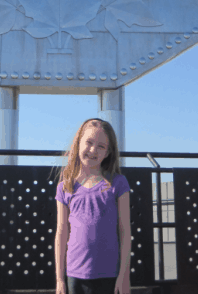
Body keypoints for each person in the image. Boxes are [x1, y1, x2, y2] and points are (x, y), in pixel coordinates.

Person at [53, 118, 131, 294]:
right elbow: (61, 232)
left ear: (109, 152)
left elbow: (125, 231)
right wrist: (60, 279)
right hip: (74, 276)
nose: (93, 150)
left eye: (101, 146)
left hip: (109, 276)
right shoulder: (65, 186)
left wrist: (124, 276)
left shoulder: (118, 183)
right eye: (88, 142)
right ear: (78, 142)